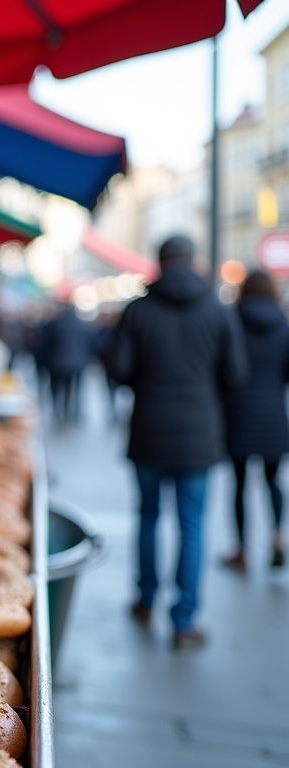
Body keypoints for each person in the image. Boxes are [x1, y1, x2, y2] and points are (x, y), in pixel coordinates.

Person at [104, 235, 247, 650]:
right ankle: (185, 620)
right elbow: (235, 374)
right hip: (199, 434)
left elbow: (119, 368)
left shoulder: (139, 311)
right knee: (192, 525)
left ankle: (146, 599)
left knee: (148, 516)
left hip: (150, 429)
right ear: (193, 261)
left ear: (161, 263)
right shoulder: (217, 311)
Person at [221, 270, 289, 571]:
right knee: (273, 480)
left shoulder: (232, 322)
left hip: (238, 413)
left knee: (238, 484)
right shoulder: (283, 326)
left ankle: (241, 550)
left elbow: (224, 369)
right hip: (273, 413)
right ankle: (277, 536)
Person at [40, 302, 94, 427]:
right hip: (78, 363)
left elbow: (45, 344)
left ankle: (59, 413)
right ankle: (72, 413)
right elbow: (90, 343)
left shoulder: (56, 323)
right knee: (74, 390)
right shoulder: (82, 323)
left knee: (57, 389)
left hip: (57, 363)